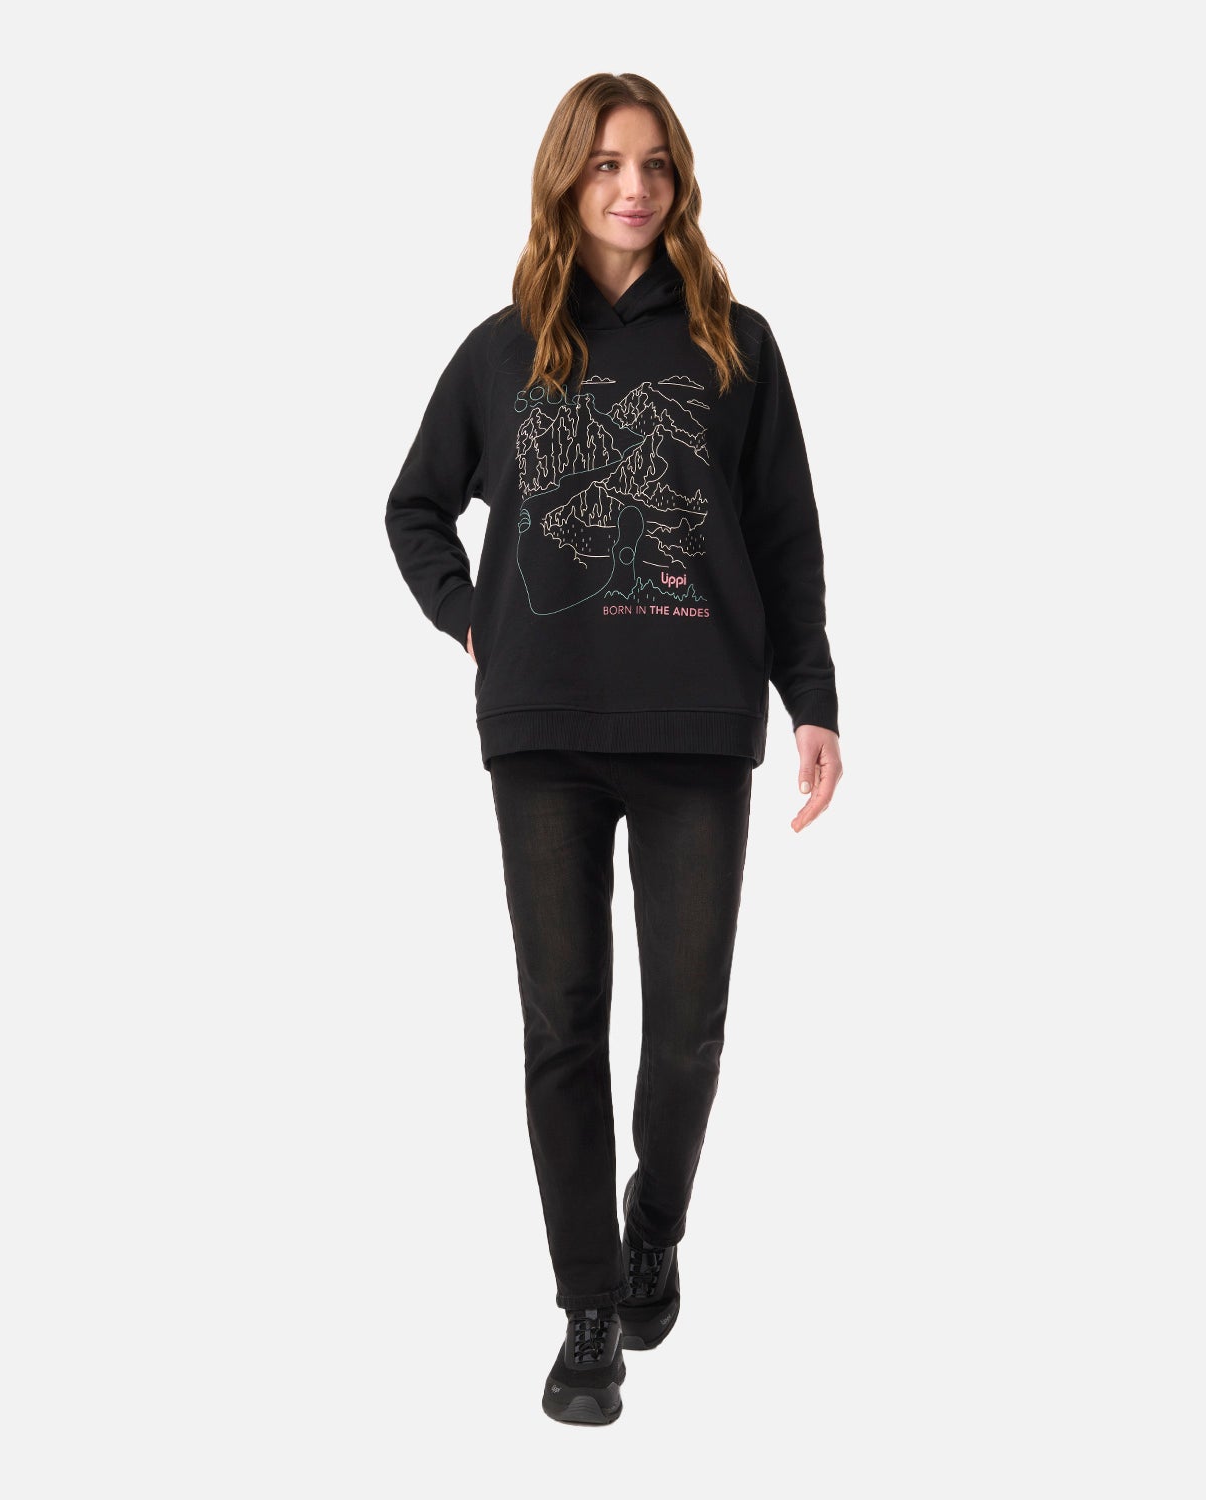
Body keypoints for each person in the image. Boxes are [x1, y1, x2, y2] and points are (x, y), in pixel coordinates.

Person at [385, 72, 843, 1425]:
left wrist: (813, 700)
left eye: (652, 164)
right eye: (604, 165)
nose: (631, 187)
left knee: (687, 1033)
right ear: (565, 182)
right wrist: (472, 620)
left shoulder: (735, 346)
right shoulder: (502, 352)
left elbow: (785, 537)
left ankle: (656, 1223)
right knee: (563, 1021)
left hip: (698, 725)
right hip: (545, 733)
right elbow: (415, 506)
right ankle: (589, 1304)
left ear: (678, 182)